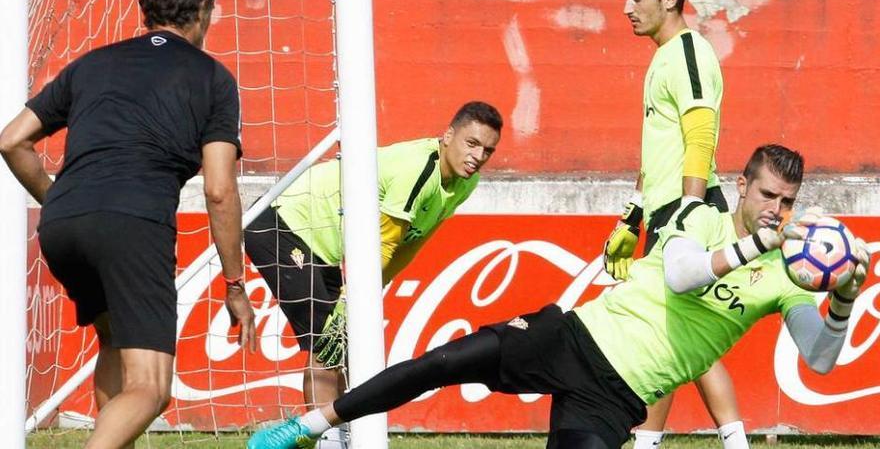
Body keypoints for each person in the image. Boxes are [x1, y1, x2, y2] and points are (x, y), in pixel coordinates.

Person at [248, 144, 869, 449]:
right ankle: (308, 425)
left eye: (787, 202)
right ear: (743, 187)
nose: (777, 211)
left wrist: (842, 298)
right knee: (442, 362)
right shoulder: (701, 216)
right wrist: (755, 245)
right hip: (571, 335)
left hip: (617, 395)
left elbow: (816, 358)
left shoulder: (794, 273)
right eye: (767, 197)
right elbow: (683, 275)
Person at [0, 0, 255, 447]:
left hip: (62, 225)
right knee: (151, 386)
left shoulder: (92, 63)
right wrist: (235, 283)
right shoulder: (213, 78)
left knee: (116, 345)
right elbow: (220, 190)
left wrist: (58, 201)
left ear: (146, 9)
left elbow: (12, 140)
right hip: (132, 224)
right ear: (202, 10)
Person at [244, 101, 502, 447]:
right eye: (471, 144)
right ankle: (329, 442)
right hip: (283, 225)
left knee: (346, 348)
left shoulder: (464, 183)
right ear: (448, 135)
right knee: (328, 342)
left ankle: (342, 436)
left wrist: (371, 290)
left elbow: (413, 243)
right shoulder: (419, 170)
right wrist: (356, 296)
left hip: (325, 249)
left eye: (487, 150)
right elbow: (383, 245)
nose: (478, 156)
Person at [602, 0, 742, 446]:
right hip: (668, 210)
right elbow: (659, 149)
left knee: (669, 334)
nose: (625, 8)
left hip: (688, 212)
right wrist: (634, 213)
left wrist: (688, 210)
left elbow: (700, 135)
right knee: (677, 335)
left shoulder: (688, 53)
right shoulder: (662, 56)